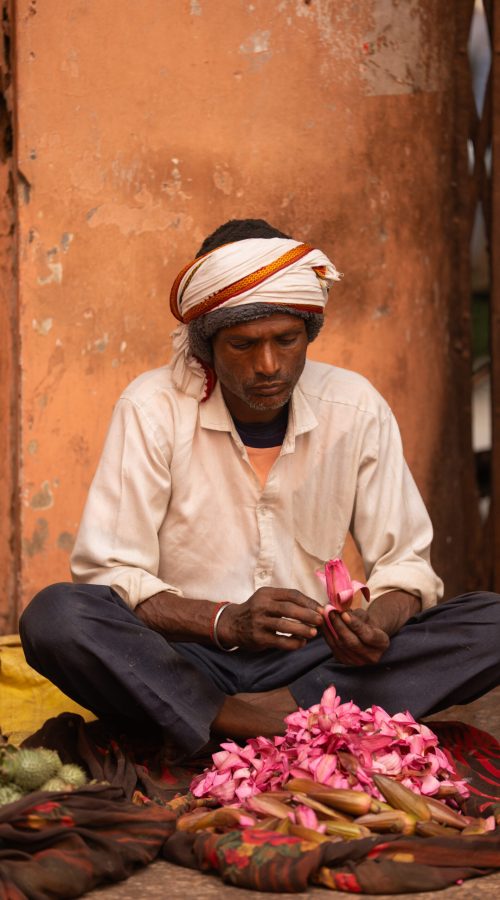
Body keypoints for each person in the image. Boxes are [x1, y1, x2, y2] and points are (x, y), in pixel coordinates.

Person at [20, 218, 500, 761]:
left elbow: (407, 568)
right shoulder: (152, 408)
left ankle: (256, 714)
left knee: (491, 621)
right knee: (55, 617)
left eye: (285, 340)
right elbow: (108, 572)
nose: (268, 365)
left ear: (308, 333)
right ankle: (257, 720)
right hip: (185, 658)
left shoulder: (355, 406)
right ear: (207, 347)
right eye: (243, 345)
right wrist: (227, 620)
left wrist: (371, 624)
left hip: (314, 662)